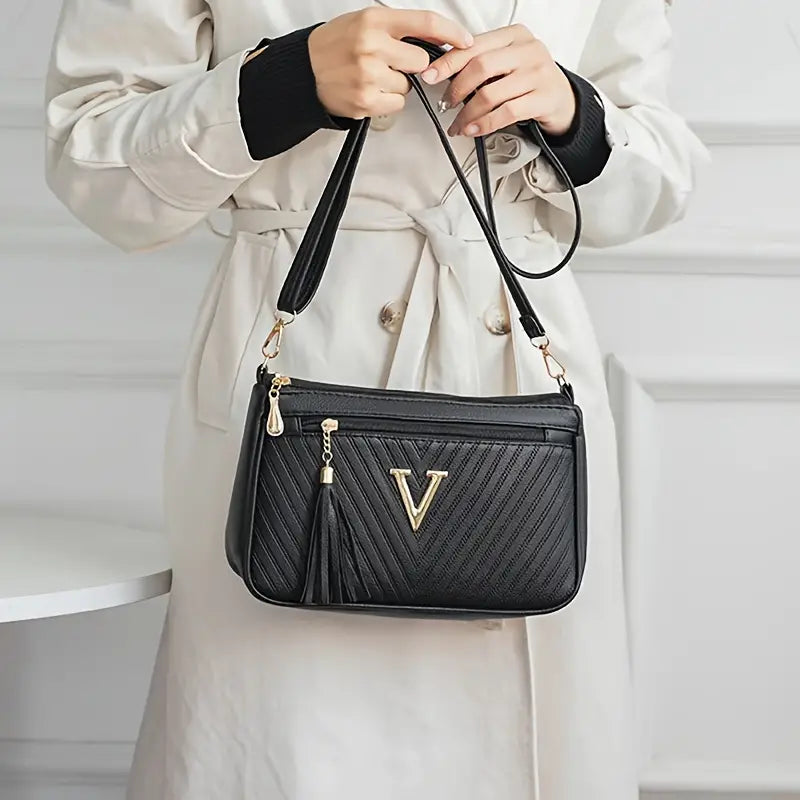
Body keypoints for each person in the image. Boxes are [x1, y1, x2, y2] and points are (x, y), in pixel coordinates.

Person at [44, 2, 707, 798]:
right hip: (297, 393)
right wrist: (283, 85)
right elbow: (91, 163)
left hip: (514, 397)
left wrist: (571, 117)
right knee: (283, 751)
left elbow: (661, 177)